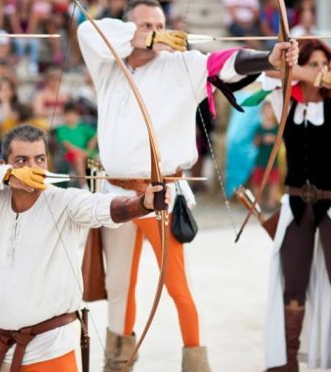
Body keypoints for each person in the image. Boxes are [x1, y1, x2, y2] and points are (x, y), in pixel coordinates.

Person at [77, 0, 299, 370]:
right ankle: (117, 362)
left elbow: (226, 63)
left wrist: (269, 59)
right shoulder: (108, 64)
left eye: (161, 22)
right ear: (131, 27)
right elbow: (89, 30)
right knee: (119, 285)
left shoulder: (183, 65)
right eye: (147, 23)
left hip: (161, 195)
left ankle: (196, 362)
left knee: (176, 287)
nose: (157, 29)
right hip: (114, 194)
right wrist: (144, 38)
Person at [0, 124, 169, 372]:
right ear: (4, 164)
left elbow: (105, 207)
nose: (33, 168)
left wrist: (144, 203)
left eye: (39, 159)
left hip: (49, 350)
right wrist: (5, 176)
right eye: (22, 160)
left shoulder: (64, 201)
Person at [261, 39, 331, 371]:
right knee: (294, 285)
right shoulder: (286, 101)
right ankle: (288, 362)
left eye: (324, 65)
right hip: (297, 205)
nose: (321, 70)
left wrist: (304, 71)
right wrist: (285, 57)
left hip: (330, 206)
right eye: (313, 64)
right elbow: (267, 77)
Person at [54, 102, 97, 187]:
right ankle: (84, 185)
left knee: (97, 159)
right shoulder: (62, 129)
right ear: (64, 115)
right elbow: (68, 145)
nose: (71, 117)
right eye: (68, 114)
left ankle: (96, 184)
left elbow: (95, 135)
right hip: (69, 154)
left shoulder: (83, 127)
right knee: (79, 159)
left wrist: (89, 148)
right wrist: (83, 152)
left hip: (85, 152)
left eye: (73, 114)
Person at [250, 100, 280, 211]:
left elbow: (280, 142)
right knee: (257, 182)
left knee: (273, 182)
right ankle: (258, 203)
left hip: (272, 161)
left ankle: (271, 203)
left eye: (270, 109)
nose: (268, 112)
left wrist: (274, 139)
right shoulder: (259, 127)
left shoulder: (277, 127)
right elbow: (255, 143)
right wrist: (262, 139)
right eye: (266, 110)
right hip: (260, 160)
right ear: (262, 111)